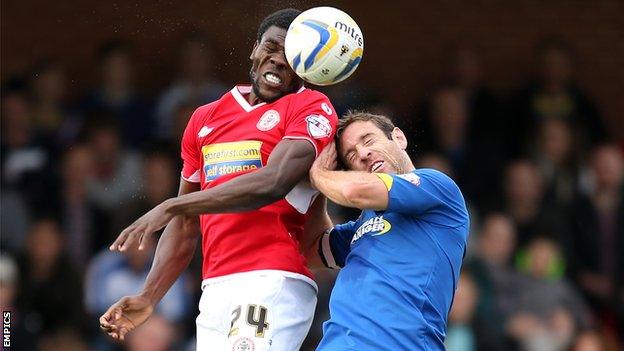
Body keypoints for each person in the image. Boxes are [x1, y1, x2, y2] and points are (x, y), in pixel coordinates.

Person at [99, 8, 338, 351]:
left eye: (292, 57)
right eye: (271, 48)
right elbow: (185, 225)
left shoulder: (312, 107)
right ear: (255, 48)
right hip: (215, 288)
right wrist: (149, 295)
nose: (278, 62)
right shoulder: (204, 118)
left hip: (273, 278)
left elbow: (272, 182)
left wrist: (171, 204)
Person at [307, 112, 470, 350]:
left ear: (399, 138)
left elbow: (353, 191)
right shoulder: (361, 228)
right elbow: (310, 249)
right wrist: (320, 188)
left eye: (369, 140)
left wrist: (317, 173)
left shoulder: (436, 186)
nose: (363, 154)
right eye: (351, 155)